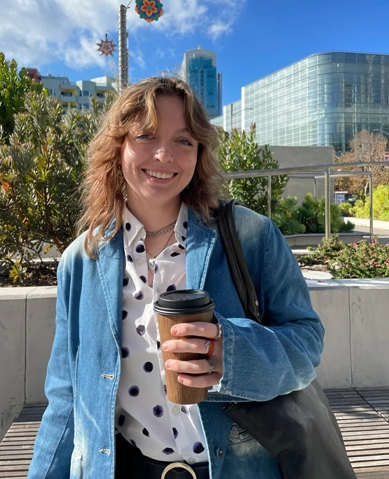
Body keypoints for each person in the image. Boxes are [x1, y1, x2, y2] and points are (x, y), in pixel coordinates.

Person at [27, 76, 324, 479]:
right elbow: (66, 398)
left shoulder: (251, 236)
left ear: (199, 153)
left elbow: (306, 342)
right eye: (146, 135)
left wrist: (233, 354)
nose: (164, 154)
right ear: (118, 146)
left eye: (183, 140)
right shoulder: (81, 260)